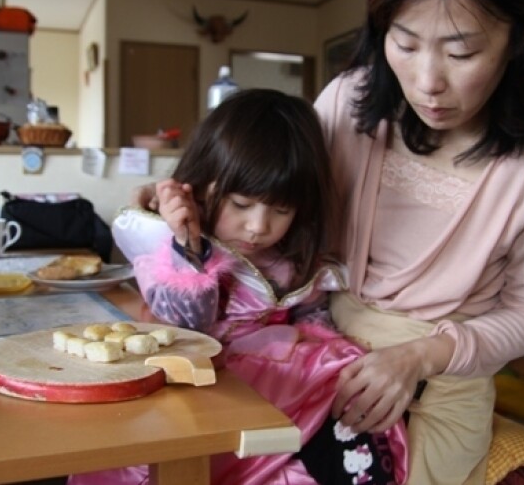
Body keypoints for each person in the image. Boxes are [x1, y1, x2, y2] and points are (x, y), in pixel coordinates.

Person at [315, 0, 524, 483]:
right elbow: (278, 202)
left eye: (461, 54)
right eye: (405, 43)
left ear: (521, 39)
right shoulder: (348, 104)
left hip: (442, 380)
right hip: (322, 345)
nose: (427, 81)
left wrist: (420, 357)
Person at [70, 89, 408, 485]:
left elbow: (311, 312)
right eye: (242, 204)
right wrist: (188, 246)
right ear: (202, 183)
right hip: (205, 386)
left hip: (285, 385)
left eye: (281, 210)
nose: (259, 227)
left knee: (354, 420)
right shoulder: (166, 244)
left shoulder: (293, 255)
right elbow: (186, 326)